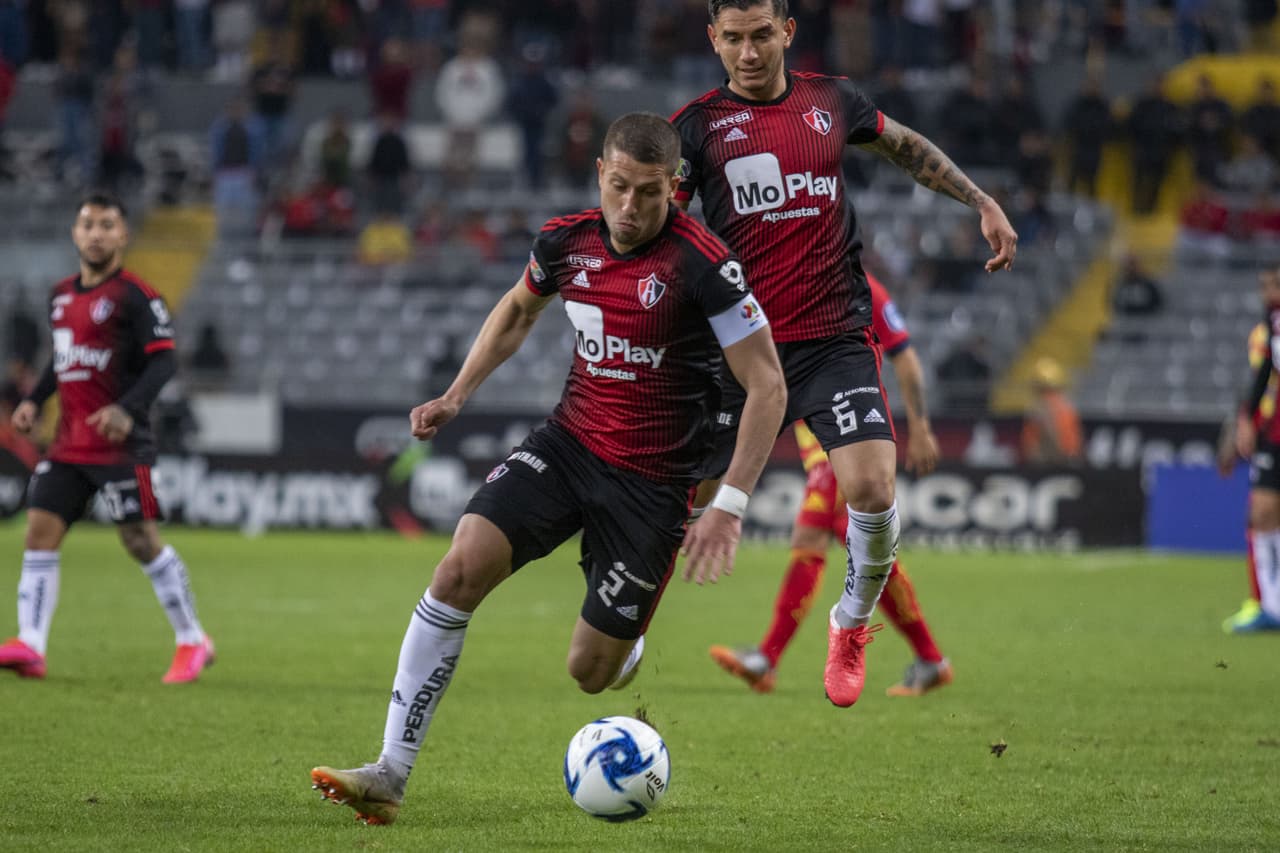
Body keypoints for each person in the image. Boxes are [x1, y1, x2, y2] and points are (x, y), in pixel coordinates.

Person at [309, 112, 788, 825]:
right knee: (459, 566)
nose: (630, 207)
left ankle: (627, 640)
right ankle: (389, 771)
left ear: (674, 187)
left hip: (653, 485)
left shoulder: (703, 265)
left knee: (590, 672)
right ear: (600, 172)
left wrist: (731, 503)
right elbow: (515, 310)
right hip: (567, 445)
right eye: (619, 186)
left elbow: (769, 384)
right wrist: (455, 395)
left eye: (649, 193)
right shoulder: (566, 242)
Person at [672, 0, 1017, 707]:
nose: (747, 51)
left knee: (872, 488)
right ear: (713, 39)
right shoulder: (698, 128)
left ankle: (851, 623)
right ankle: (629, 627)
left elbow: (908, 148)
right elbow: (659, 226)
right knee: (684, 500)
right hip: (741, 348)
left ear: (786, 32)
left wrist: (979, 199)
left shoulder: (831, 101)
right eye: (732, 38)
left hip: (833, 338)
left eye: (761, 34)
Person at [0, 192, 214, 682]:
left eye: (106, 225)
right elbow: (63, 361)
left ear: (123, 235)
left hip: (120, 442)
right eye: (88, 224)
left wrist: (126, 408)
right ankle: (31, 644)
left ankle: (192, 640)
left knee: (139, 540)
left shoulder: (136, 296)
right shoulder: (60, 296)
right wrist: (35, 398)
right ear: (75, 233)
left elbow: (164, 360)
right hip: (69, 443)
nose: (96, 233)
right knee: (39, 531)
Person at [710, 272, 953, 696]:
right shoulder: (776, 279)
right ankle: (930, 660)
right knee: (869, 556)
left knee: (823, 540)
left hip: (844, 442)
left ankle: (768, 658)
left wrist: (920, 425)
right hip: (814, 441)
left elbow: (905, 357)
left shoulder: (861, 287)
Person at [1229, 263, 1280, 632]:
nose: (1268, 294)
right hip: (1275, 431)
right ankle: (1269, 606)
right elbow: (1263, 373)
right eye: (1264, 286)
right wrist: (1246, 419)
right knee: (1261, 512)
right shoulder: (1270, 327)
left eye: (1273, 286)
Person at [1217, 315, 1272, 632]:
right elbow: (1255, 388)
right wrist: (1234, 435)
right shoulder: (1261, 334)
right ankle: (1263, 602)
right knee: (1261, 516)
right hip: (1270, 436)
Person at [1020, 357, 1082, 465]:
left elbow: (1050, 432)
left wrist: (1057, 457)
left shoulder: (1042, 405)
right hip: (1067, 459)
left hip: (1050, 462)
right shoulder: (1066, 403)